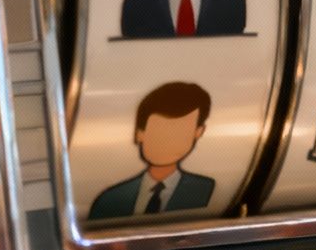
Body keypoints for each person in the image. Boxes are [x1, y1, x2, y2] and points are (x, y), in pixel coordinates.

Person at [87, 81, 218, 219]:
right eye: (158, 131)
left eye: (179, 132)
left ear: (198, 132)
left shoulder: (207, 189)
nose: (167, 141)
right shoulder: (109, 199)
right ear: (139, 134)